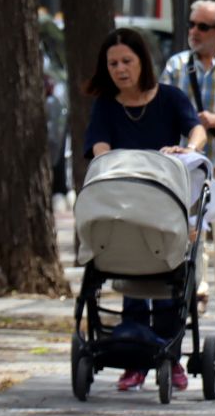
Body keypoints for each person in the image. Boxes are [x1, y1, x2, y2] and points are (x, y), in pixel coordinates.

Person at [84, 27, 208, 393]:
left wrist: (187, 148)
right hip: (122, 206)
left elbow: (196, 129)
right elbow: (98, 145)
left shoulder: (168, 98)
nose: (120, 69)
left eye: (127, 61)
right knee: (130, 271)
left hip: (165, 205)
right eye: (113, 64)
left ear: (142, 62)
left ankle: (170, 353)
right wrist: (107, 157)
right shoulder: (106, 105)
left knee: (171, 280)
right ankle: (133, 357)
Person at [162, 0, 215, 315]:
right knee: (192, 225)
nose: (194, 32)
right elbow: (164, 111)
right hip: (189, 165)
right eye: (192, 24)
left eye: (203, 26)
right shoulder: (176, 66)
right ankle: (197, 290)